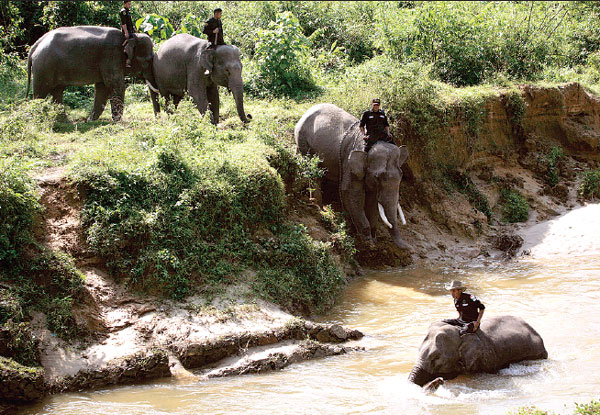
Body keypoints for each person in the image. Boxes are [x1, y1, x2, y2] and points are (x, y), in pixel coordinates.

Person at [202, 8, 225, 75]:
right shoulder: (209, 21)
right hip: (212, 41)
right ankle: (208, 68)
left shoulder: (219, 21)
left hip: (220, 40)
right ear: (216, 13)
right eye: (220, 14)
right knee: (210, 53)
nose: (221, 15)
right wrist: (213, 31)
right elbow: (204, 31)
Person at [120, 1, 136, 68]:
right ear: (125, 4)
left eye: (130, 4)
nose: (130, 5)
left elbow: (129, 22)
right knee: (128, 44)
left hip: (130, 30)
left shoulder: (127, 11)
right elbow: (124, 23)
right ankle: (126, 61)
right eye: (128, 4)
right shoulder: (123, 11)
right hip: (127, 31)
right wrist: (126, 32)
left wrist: (134, 28)